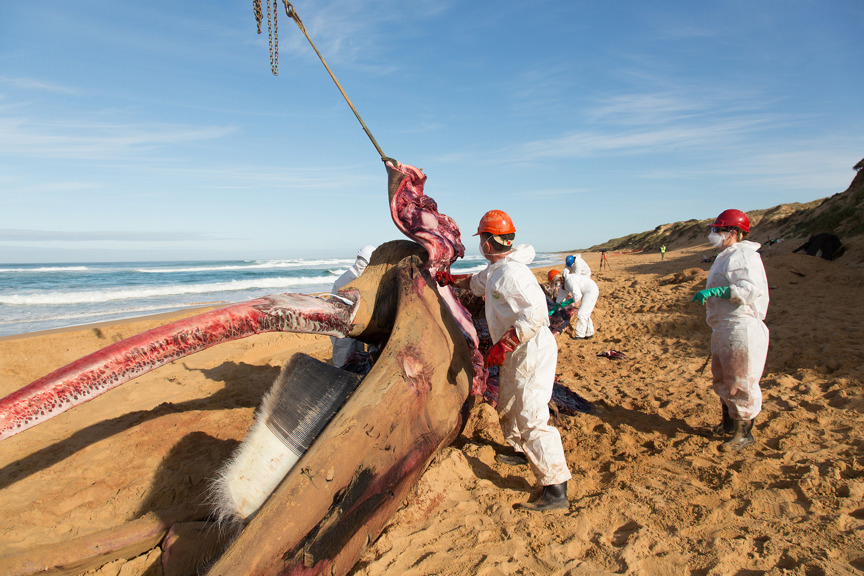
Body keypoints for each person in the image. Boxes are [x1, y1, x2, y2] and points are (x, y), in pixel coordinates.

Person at [436, 210, 571, 511]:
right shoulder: (497, 268)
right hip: (514, 350)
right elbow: (476, 282)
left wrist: (505, 344)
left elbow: (535, 316)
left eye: (481, 237)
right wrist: (450, 280)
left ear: (487, 240)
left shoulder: (513, 275)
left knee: (532, 415)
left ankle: (555, 489)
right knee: (509, 404)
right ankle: (523, 451)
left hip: (531, 350)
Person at [691, 209, 769, 452]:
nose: (714, 234)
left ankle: (743, 435)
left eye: (719, 230)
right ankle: (727, 425)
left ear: (733, 232)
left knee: (740, 380)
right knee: (723, 378)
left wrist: (715, 292)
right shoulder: (725, 255)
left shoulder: (744, 255)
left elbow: (748, 289)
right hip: (723, 326)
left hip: (741, 326)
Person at [330, 245, 375, 368]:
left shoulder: (352, 275)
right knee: (344, 356)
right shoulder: (351, 279)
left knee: (355, 355)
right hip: (343, 324)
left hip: (350, 324)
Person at [549, 268, 599, 340]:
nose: (556, 285)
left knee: (582, 313)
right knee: (586, 313)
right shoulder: (564, 284)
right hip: (586, 291)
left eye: (555, 282)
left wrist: (566, 303)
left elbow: (578, 296)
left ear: (557, 279)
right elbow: (560, 296)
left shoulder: (569, 280)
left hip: (590, 291)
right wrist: (555, 307)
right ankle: (589, 333)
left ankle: (579, 335)